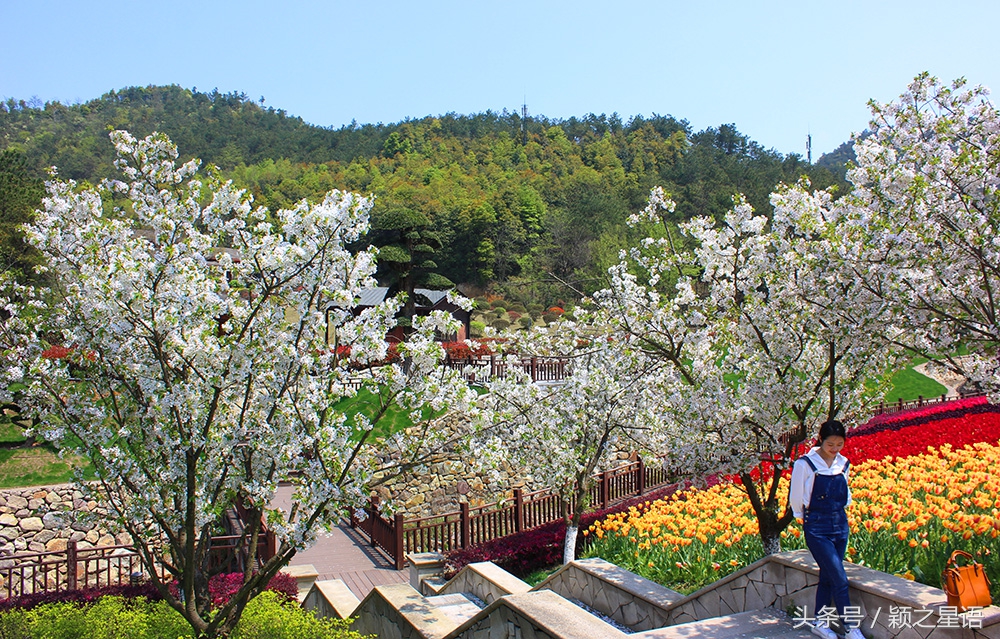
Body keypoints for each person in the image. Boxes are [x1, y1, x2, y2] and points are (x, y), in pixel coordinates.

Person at [789, 420, 865, 639]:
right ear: (821, 439)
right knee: (840, 578)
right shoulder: (806, 464)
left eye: (839, 444)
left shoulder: (843, 463)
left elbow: (846, 492)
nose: (834, 448)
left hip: (840, 523)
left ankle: (820, 623)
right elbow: (796, 496)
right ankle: (851, 627)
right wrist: (802, 518)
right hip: (817, 526)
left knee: (828, 577)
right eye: (830, 443)